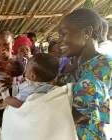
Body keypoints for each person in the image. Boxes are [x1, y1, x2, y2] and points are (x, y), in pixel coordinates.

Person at [57, 8, 112, 139]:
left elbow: (75, 114)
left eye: (63, 34)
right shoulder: (78, 69)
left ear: (87, 32)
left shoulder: (104, 64)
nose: (59, 40)